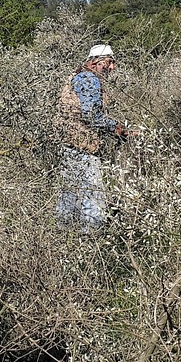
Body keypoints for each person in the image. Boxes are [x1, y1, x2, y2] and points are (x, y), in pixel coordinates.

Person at [56, 44, 129, 230]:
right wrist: (116, 128)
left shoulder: (77, 76)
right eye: (110, 62)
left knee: (69, 197)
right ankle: (91, 243)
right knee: (93, 199)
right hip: (83, 147)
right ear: (98, 61)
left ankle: (63, 239)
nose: (112, 68)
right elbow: (90, 116)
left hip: (68, 145)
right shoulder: (90, 80)